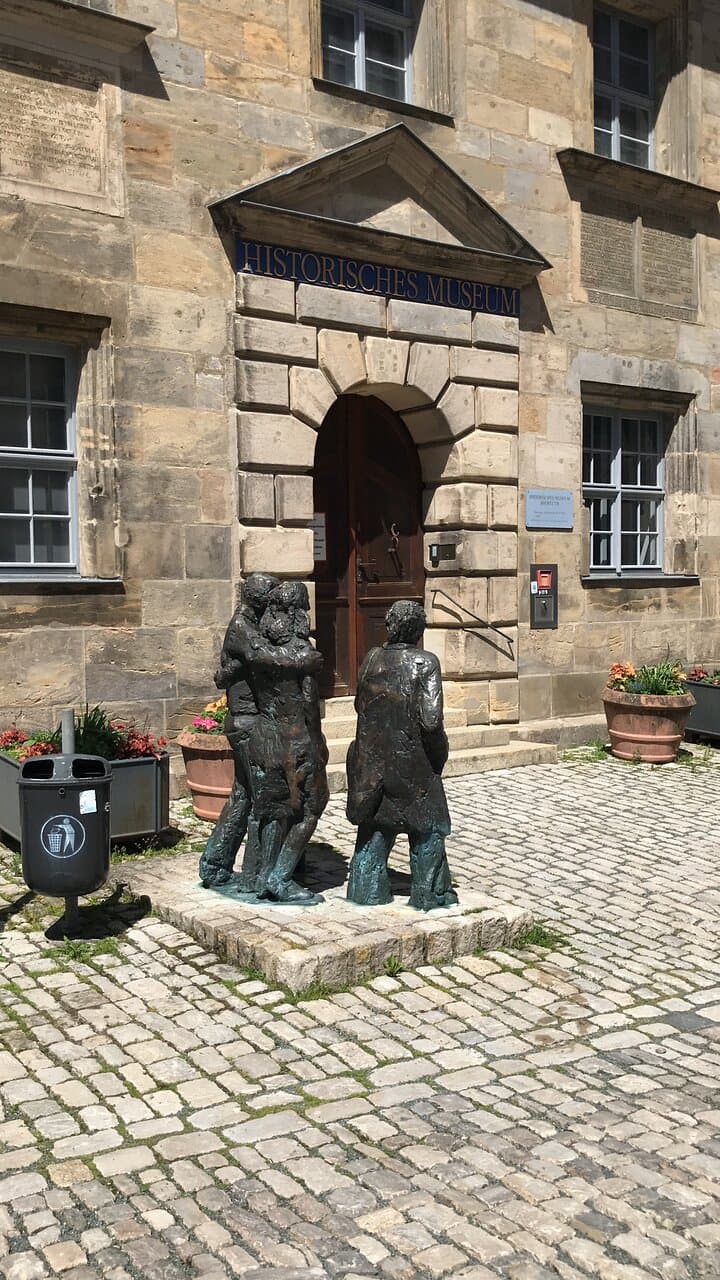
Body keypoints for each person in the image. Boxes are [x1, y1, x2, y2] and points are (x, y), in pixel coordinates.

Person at [345, 600, 458, 911]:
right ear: (418, 631)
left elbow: (359, 705)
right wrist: (439, 755)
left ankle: (366, 892)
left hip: (375, 761)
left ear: (390, 626)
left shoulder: (371, 659)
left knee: (375, 829)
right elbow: (431, 720)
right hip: (413, 761)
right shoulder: (425, 663)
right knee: (428, 830)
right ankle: (428, 895)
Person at [242, 580, 329, 904]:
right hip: (294, 740)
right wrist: (318, 744)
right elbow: (308, 704)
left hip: (264, 736)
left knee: (274, 812)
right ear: (297, 613)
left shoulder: (261, 653)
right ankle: (279, 878)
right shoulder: (304, 655)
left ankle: (263, 876)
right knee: (311, 808)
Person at [198, 572, 278, 889]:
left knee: (244, 795)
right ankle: (253, 875)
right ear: (258, 600)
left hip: (251, 719)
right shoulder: (244, 627)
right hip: (246, 721)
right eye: (270, 601)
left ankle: (215, 863)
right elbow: (267, 659)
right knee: (260, 797)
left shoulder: (251, 623)